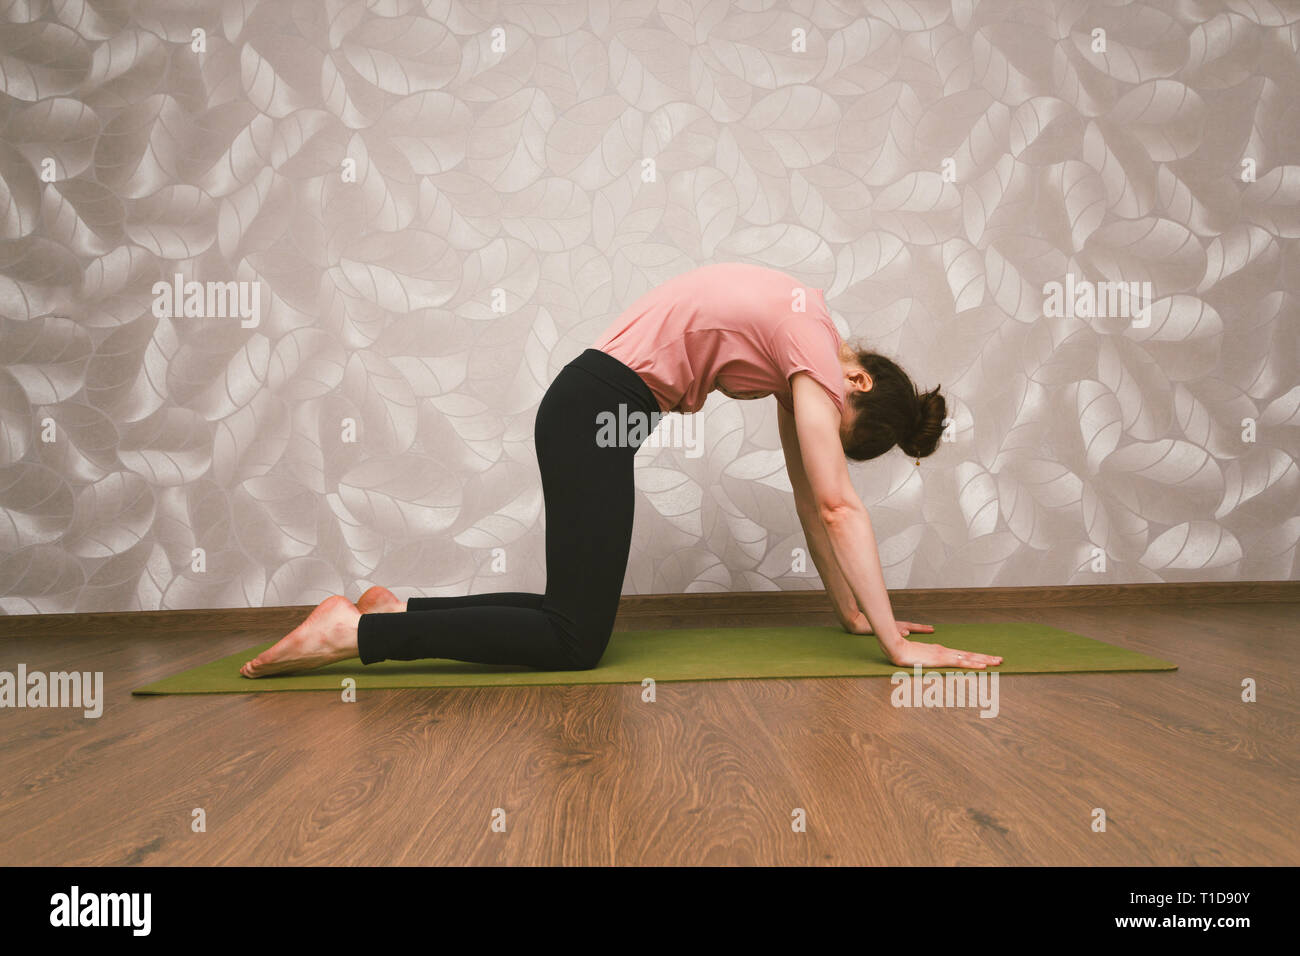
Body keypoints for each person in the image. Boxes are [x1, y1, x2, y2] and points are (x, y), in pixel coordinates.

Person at [241, 262, 1002, 678]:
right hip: (596, 409)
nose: (822, 429)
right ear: (857, 384)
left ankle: (397, 611)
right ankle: (356, 635)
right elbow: (840, 507)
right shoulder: (809, 343)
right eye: (839, 426)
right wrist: (896, 649)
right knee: (575, 640)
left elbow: (812, 500)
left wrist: (854, 615)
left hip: (597, 409)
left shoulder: (801, 347)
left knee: (566, 607)